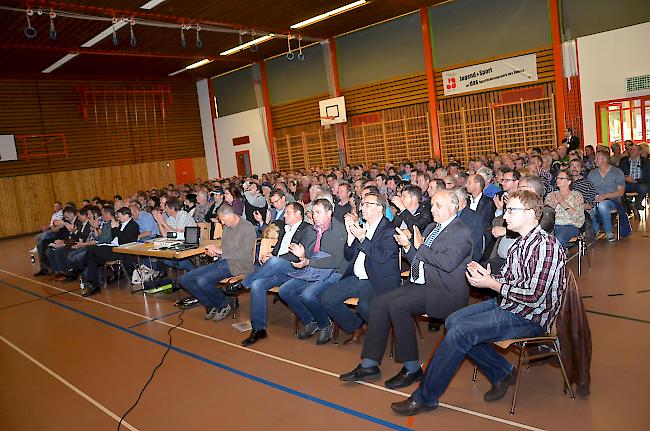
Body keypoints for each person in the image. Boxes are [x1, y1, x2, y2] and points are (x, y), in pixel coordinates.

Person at [390, 190, 567, 416]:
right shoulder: (521, 243)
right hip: (511, 305)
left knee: (461, 332)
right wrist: (490, 278)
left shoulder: (545, 247)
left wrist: (492, 285)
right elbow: (514, 281)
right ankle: (502, 371)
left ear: (531, 214)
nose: (505, 216)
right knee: (453, 321)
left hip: (531, 316)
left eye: (512, 210)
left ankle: (425, 397)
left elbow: (534, 297)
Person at [339, 190, 473, 389]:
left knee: (397, 306)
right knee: (378, 303)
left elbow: (447, 263)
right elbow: (417, 260)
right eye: (432, 204)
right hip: (420, 284)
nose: (432, 209)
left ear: (453, 208)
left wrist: (418, 246)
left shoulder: (461, 231)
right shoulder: (431, 228)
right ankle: (369, 364)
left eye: (438, 205)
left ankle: (412, 368)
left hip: (443, 290)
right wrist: (409, 248)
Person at [320, 192, 400, 345]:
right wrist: (351, 236)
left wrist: (363, 238)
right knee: (326, 298)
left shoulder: (389, 230)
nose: (362, 207)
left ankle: (379, 330)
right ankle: (357, 325)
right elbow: (349, 256)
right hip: (356, 277)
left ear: (379, 208)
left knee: (364, 306)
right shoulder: (362, 227)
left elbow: (381, 258)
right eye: (362, 204)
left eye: (367, 204)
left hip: (376, 279)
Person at [235, 202, 314, 346]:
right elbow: (278, 250)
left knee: (274, 262)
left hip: (296, 270)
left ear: (298, 214)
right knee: (257, 284)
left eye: (288, 212)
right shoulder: (284, 229)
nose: (285, 215)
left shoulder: (307, 229)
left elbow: (299, 256)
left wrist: (274, 259)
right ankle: (259, 329)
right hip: (280, 270)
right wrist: (270, 254)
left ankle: (242, 284)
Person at [278, 199, 349, 345]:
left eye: (318, 212)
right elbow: (308, 253)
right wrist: (303, 256)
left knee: (308, 294)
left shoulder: (339, 230)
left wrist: (307, 261)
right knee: (285, 290)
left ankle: (325, 325)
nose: (314, 216)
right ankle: (310, 320)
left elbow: (335, 261)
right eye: (313, 212)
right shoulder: (312, 229)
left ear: (329, 213)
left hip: (335, 271)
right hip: (314, 268)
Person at [179, 205, 256, 322]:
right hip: (224, 262)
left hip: (240, 265)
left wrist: (220, 251)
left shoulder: (247, 227)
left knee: (202, 281)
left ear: (231, 215)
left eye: (223, 220)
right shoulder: (227, 227)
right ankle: (211, 305)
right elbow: (224, 249)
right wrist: (215, 253)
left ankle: (222, 305)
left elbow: (244, 254)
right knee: (184, 279)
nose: (223, 223)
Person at [81, 207, 139, 297]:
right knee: (93, 258)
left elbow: (124, 241)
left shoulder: (133, 226)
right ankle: (93, 285)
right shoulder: (120, 225)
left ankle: (81, 267)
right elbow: (113, 236)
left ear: (126, 215)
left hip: (121, 251)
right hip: (112, 247)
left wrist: (115, 228)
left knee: (92, 250)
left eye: (120, 217)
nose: (118, 219)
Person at [587, 151, 625, 241]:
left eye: (597, 158)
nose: (594, 160)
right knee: (590, 207)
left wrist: (605, 196)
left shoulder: (617, 172)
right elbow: (589, 191)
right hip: (595, 199)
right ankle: (594, 230)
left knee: (603, 205)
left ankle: (608, 232)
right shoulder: (592, 174)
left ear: (604, 159)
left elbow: (621, 192)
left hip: (613, 200)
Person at [545, 172, 585, 249]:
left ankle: (560, 257)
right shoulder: (551, 195)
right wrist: (554, 204)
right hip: (552, 225)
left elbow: (578, 216)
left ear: (569, 182)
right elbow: (547, 214)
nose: (557, 180)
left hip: (570, 225)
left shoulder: (576, 195)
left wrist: (562, 202)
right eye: (557, 178)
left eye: (561, 178)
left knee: (558, 239)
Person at [619, 144, 650, 211]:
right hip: (626, 183)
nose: (631, 151)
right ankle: (627, 205)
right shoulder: (624, 161)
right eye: (630, 150)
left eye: (633, 150)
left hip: (639, 183)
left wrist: (636, 181)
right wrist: (625, 178)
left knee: (644, 187)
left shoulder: (646, 162)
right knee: (618, 188)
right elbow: (619, 173)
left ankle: (637, 204)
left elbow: (648, 176)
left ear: (639, 152)